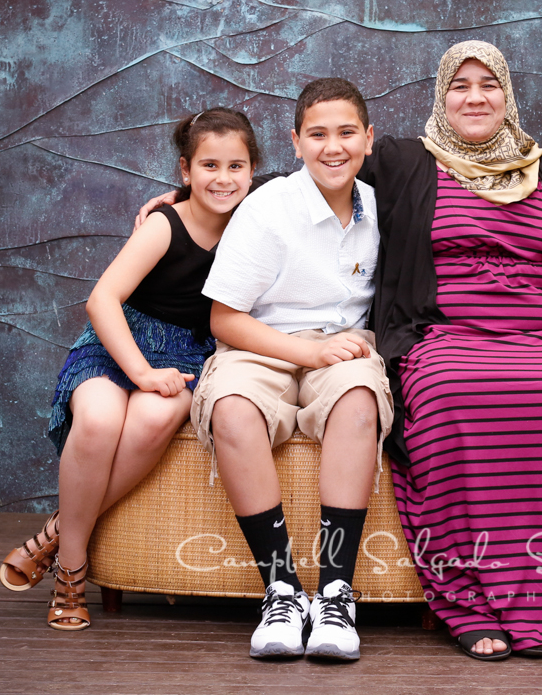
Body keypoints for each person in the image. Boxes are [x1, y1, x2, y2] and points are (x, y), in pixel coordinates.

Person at [137, 43, 542, 659]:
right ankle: (469, 601)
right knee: (449, 393)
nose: (475, 97)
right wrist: (188, 202)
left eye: (489, 85)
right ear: (441, 95)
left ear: (506, 94)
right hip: (444, 336)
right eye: (461, 85)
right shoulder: (407, 161)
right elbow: (318, 172)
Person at [0, 107, 259, 630]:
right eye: (209, 166)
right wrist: (140, 372)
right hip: (120, 343)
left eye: (237, 166)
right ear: (185, 171)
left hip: (187, 352)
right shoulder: (164, 224)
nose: (223, 179)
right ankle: (72, 572)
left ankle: (53, 535)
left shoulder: (259, 216)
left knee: (153, 420)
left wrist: (156, 381)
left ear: (254, 171)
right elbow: (103, 300)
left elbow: (327, 176)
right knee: (98, 420)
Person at [190, 77, 393, 661]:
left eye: (347, 132)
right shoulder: (267, 208)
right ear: (296, 142)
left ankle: (334, 594)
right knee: (229, 406)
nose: (334, 146)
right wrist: (304, 353)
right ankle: (281, 589)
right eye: (318, 134)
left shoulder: (379, 206)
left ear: (369, 139)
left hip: (345, 344)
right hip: (261, 343)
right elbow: (225, 320)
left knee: (357, 401)